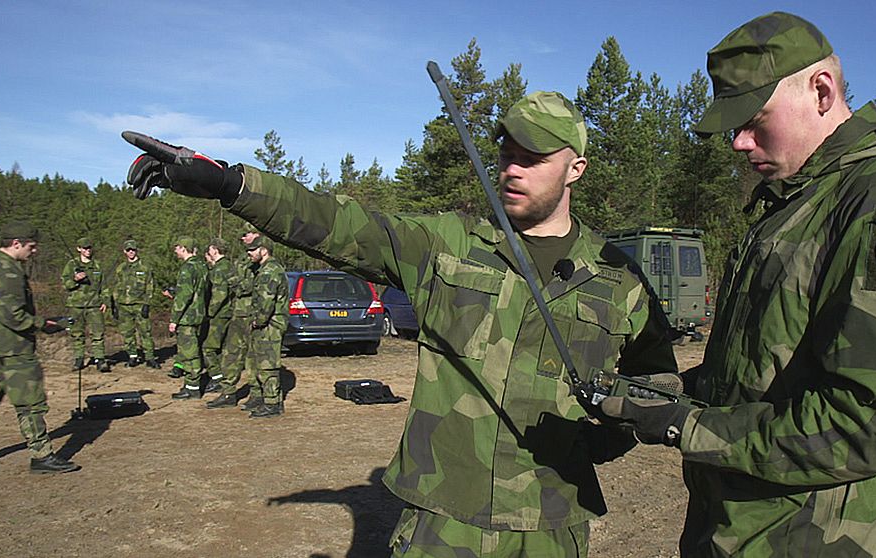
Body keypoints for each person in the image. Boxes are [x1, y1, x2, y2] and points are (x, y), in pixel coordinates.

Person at [123, 90, 677, 557]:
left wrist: (606, 435)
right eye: (506, 151)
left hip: (551, 524)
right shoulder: (448, 246)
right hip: (444, 517)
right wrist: (231, 184)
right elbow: (338, 223)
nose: (510, 168)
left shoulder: (616, 278)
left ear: (575, 168)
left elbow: (659, 385)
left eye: (532, 157)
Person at [598, 12, 876, 557]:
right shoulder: (796, 205)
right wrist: (674, 392)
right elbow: (769, 366)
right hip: (735, 531)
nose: (738, 142)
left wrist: (689, 427)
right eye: (732, 126)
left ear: (821, 91)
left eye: (754, 118)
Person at [0, 221, 80, 474]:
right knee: (30, 404)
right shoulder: (8, 272)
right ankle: (42, 455)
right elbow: (12, 315)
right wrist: (43, 324)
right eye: (31, 246)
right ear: (16, 244)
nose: (34, 251)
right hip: (13, 349)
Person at [206, 225, 261, 410]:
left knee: (252, 358)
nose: (243, 238)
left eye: (246, 235)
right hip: (237, 313)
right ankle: (228, 392)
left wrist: (234, 282)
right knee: (231, 355)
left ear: (256, 235)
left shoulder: (261, 260)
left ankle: (256, 394)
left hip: (252, 314)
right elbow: (234, 287)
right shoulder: (240, 260)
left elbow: (249, 286)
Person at [242, 236, 288, 418]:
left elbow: (266, 303)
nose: (249, 253)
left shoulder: (270, 271)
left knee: (268, 365)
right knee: (259, 363)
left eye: (252, 250)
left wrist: (257, 321)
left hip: (271, 325)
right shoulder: (266, 269)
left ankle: (272, 403)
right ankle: (267, 399)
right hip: (267, 325)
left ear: (264, 250)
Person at [61, 237, 110, 372]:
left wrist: (105, 301)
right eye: (84, 248)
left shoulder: (97, 266)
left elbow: (104, 286)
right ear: (79, 249)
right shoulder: (72, 265)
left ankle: (100, 359)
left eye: (89, 248)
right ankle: (79, 358)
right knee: (77, 334)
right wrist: (75, 280)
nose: (87, 251)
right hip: (76, 305)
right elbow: (65, 284)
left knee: (98, 334)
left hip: (94, 304)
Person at [168, 237, 209, 399]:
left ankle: (192, 386)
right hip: (200, 315)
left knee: (189, 353)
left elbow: (183, 296)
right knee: (193, 350)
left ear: (184, 248)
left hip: (187, 317)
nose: (175, 251)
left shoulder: (188, 269)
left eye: (177, 247)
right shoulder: (202, 266)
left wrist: (174, 319)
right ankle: (191, 383)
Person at [111, 239, 160, 369]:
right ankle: (132, 356)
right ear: (124, 252)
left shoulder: (145, 267)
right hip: (124, 305)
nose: (131, 252)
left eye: (133, 250)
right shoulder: (121, 268)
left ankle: (149, 357)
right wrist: (114, 304)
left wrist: (147, 303)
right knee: (127, 333)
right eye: (128, 250)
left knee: (145, 332)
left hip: (139, 304)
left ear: (136, 250)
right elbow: (116, 286)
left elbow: (150, 286)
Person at [202, 238, 234, 394]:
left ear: (215, 249)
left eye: (210, 249)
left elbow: (219, 294)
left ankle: (217, 378)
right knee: (220, 348)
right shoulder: (228, 266)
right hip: (226, 313)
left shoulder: (221, 269)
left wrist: (209, 312)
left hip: (220, 314)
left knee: (208, 348)